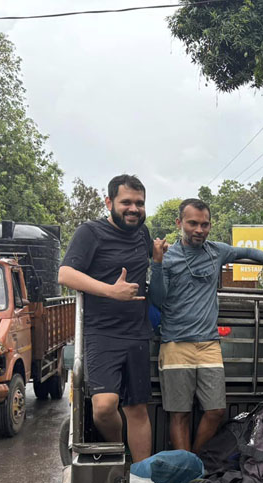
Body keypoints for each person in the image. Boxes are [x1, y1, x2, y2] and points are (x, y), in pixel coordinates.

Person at [148, 198, 263, 454]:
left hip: (209, 344)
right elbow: (157, 299)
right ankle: (188, 468)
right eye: (193, 223)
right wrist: (156, 264)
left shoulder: (217, 251)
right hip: (175, 344)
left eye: (205, 224)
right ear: (179, 223)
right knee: (179, 413)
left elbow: (246, 252)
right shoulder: (168, 256)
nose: (199, 229)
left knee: (216, 410)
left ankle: (195, 460)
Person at [58, 174, 153, 462]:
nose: (134, 209)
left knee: (137, 409)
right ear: (109, 202)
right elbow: (65, 274)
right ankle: (118, 456)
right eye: (126, 202)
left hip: (137, 333)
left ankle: (142, 475)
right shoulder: (90, 232)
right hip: (101, 333)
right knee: (103, 406)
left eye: (139, 203)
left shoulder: (143, 233)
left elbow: (154, 257)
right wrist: (111, 291)